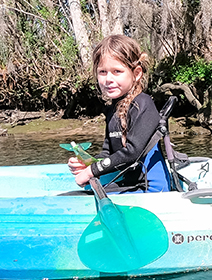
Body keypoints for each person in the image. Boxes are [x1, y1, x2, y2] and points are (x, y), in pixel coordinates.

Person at [68, 35, 170, 193]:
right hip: (128, 182)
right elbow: (108, 153)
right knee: (73, 195)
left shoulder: (143, 104)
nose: (108, 79)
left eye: (117, 71)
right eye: (102, 72)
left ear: (136, 73)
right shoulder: (112, 109)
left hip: (151, 189)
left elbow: (132, 152)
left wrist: (92, 171)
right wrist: (87, 163)